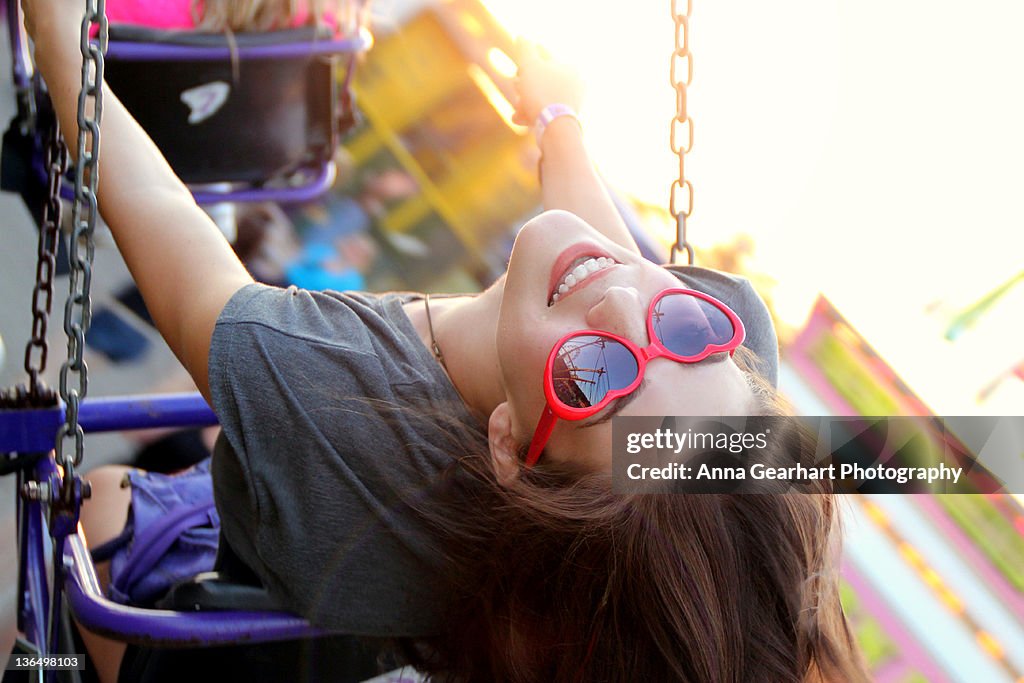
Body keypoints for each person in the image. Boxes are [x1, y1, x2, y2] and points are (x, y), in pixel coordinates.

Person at [23, 1, 870, 680]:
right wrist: (558, 112)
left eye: (595, 376)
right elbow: (600, 243)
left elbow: (168, 224)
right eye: (684, 330)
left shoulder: (330, 401)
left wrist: (61, 31)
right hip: (283, 551)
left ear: (506, 442)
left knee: (90, 509)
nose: (619, 301)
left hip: (198, 598)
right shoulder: (712, 357)